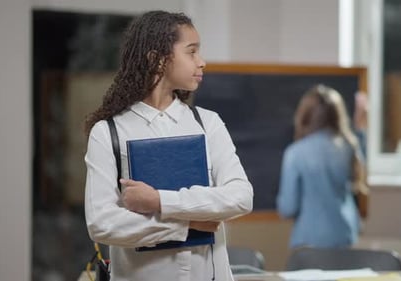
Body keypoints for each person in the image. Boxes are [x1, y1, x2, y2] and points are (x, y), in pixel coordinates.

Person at [83, 11, 253, 281]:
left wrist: (158, 201)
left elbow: (241, 197)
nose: (202, 62)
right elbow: (102, 224)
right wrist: (187, 225)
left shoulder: (208, 123)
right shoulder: (108, 133)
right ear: (157, 59)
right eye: (192, 52)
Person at [276, 84, 367, 249]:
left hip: (308, 240)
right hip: (345, 235)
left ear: (304, 116)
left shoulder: (295, 153)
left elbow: (288, 208)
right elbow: (357, 183)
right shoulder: (349, 147)